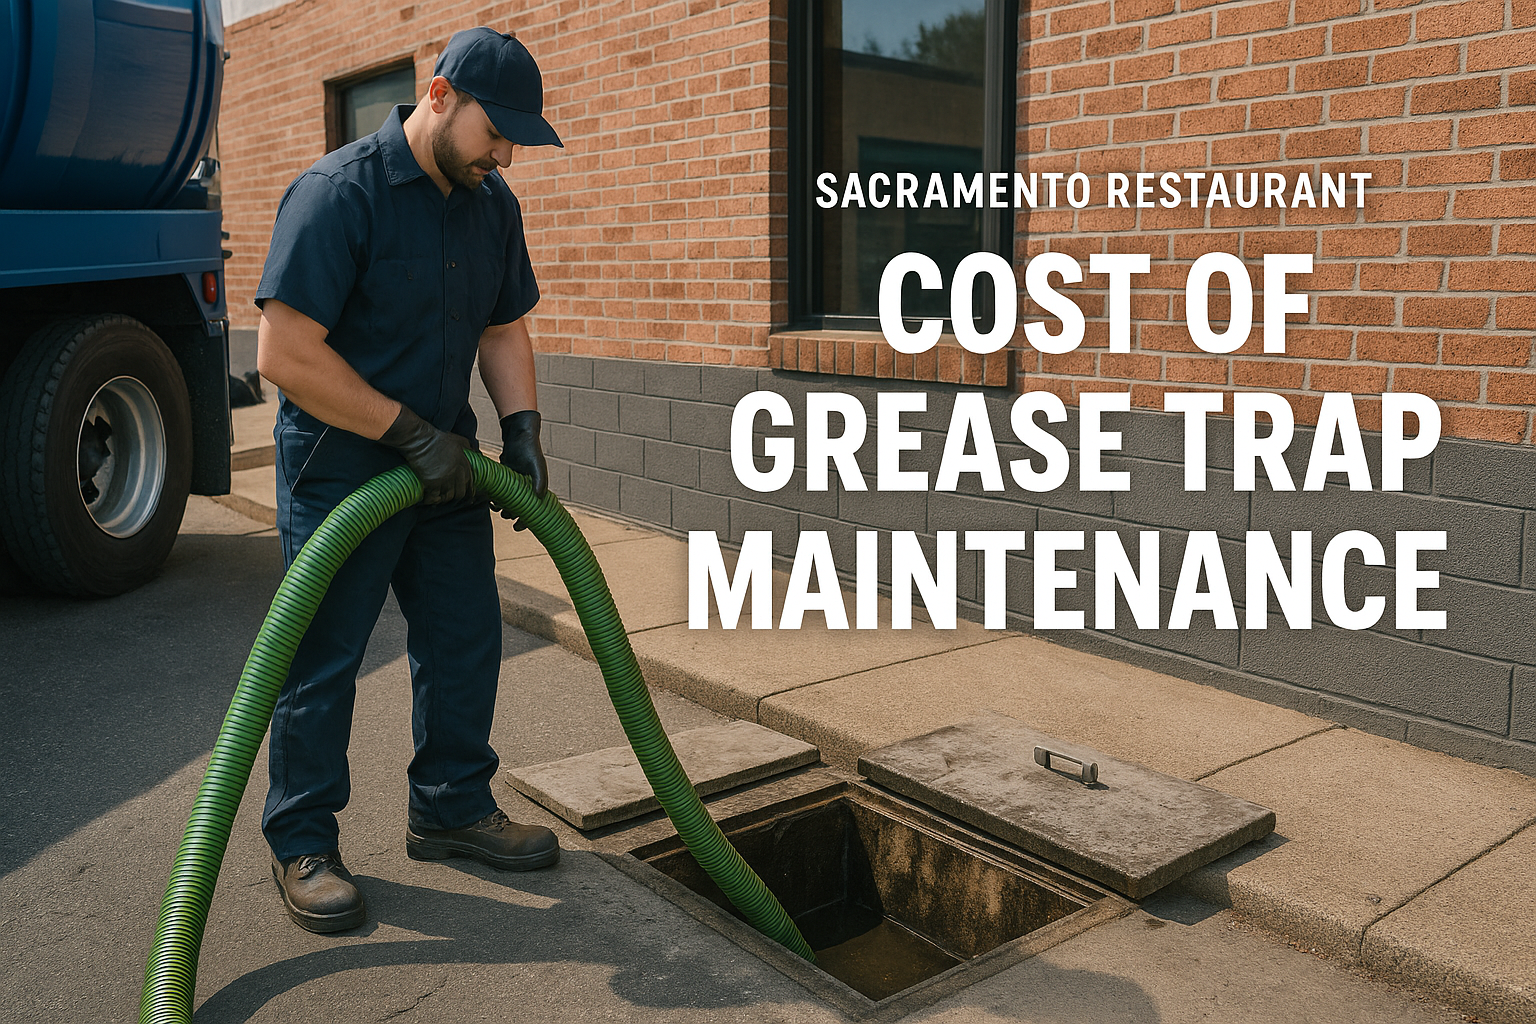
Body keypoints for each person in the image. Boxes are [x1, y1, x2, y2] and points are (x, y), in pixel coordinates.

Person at [253, 27, 562, 933]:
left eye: (516, 140)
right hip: (343, 466)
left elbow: (501, 326)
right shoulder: (337, 194)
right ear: (439, 96)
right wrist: (405, 434)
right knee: (323, 660)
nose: (506, 156)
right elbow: (285, 353)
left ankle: (451, 807)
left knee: (466, 637)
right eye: (496, 133)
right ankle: (303, 842)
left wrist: (522, 428)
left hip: (445, 465)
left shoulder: (490, 203)